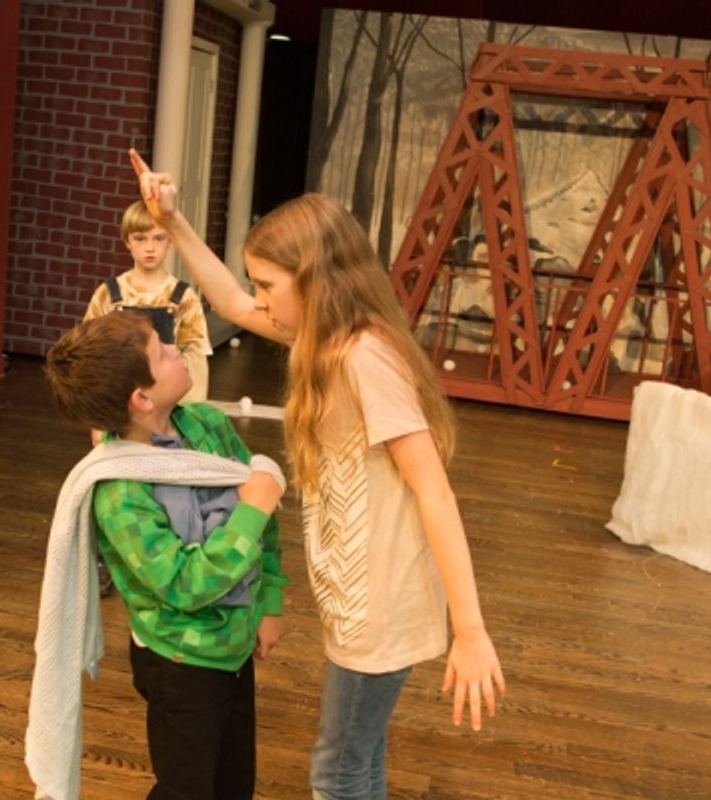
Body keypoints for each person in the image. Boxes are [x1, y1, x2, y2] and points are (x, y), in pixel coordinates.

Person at [130, 148, 506, 799]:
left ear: (316, 281)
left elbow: (434, 491)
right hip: (359, 596)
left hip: (379, 604)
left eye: (269, 285)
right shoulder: (326, 340)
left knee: (337, 772)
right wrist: (174, 221)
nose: (259, 299)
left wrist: (469, 629)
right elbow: (231, 302)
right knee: (359, 760)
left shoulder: (366, 359)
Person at [26, 311, 287, 800]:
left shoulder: (207, 425)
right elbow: (185, 584)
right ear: (142, 398)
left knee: (234, 784)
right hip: (180, 665)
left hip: (234, 648)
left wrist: (270, 600)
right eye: (160, 350)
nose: (174, 347)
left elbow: (264, 520)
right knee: (186, 790)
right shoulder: (122, 495)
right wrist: (251, 511)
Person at [83, 200, 212, 403]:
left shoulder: (183, 297)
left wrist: (191, 408)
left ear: (170, 240)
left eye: (159, 238)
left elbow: (195, 357)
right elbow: (89, 348)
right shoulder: (108, 293)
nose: (150, 248)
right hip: (119, 393)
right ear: (127, 241)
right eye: (140, 239)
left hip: (168, 396)